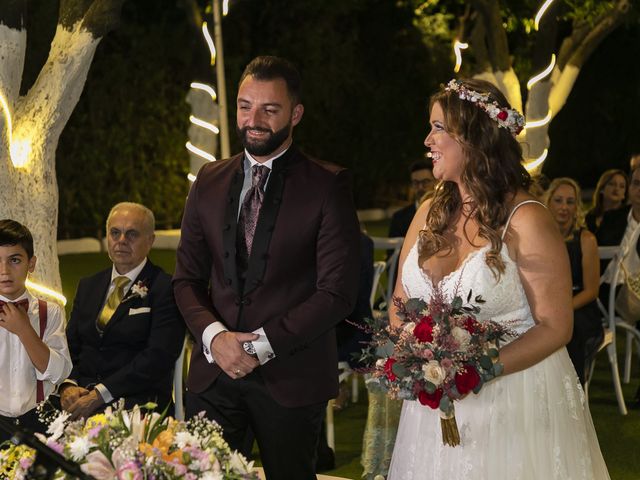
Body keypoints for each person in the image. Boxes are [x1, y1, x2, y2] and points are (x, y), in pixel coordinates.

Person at [387, 79, 610, 479]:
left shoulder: (527, 218)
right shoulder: (428, 213)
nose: (427, 139)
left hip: (514, 402)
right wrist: (420, 360)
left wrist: (476, 370)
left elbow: (556, 326)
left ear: (475, 137)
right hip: (433, 406)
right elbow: (400, 303)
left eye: (438, 127)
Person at [173, 55, 360, 480]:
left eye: (269, 109)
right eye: (244, 106)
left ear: (295, 114)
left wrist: (258, 345)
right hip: (213, 376)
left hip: (292, 378)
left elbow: (337, 293)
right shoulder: (208, 180)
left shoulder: (328, 185)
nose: (253, 120)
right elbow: (186, 279)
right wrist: (216, 338)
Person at [60, 202, 185, 419]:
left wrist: (101, 393)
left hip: (137, 404)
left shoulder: (166, 288)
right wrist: (68, 385)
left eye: (132, 234)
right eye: (115, 233)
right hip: (81, 396)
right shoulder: (88, 285)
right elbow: (70, 346)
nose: (121, 241)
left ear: (150, 240)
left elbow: (158, 356)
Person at [0, 220, 71, 442]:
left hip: (38, 422)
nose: (4, 271)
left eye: (14, 260)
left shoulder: (50, 312)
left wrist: (24, 330)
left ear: (31, 264)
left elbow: (59, 373)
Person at [544, 178, 603, 385]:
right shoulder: (540, 237)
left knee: (570, 328)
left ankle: (570, 391)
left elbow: (592, 291)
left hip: (578, 305)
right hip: (546, 304)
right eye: (558, 200)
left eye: (570, 202)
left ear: (577, 206)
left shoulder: (586, 240)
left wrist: (563, 308)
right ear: (549, 202)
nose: (564, 207)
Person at [388, 159, 435, 239]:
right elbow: (392, 250)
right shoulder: (398, 218)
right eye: (416, 183)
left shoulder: (448, 213)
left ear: (435, 181)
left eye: (425, 182)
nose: (420, 187)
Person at [585, 169, 628, 234]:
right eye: (612, 184)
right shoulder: (590, 216)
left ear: (624, 194)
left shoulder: (628, 218)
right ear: (602, 189)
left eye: (622, 186)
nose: (616, 188)